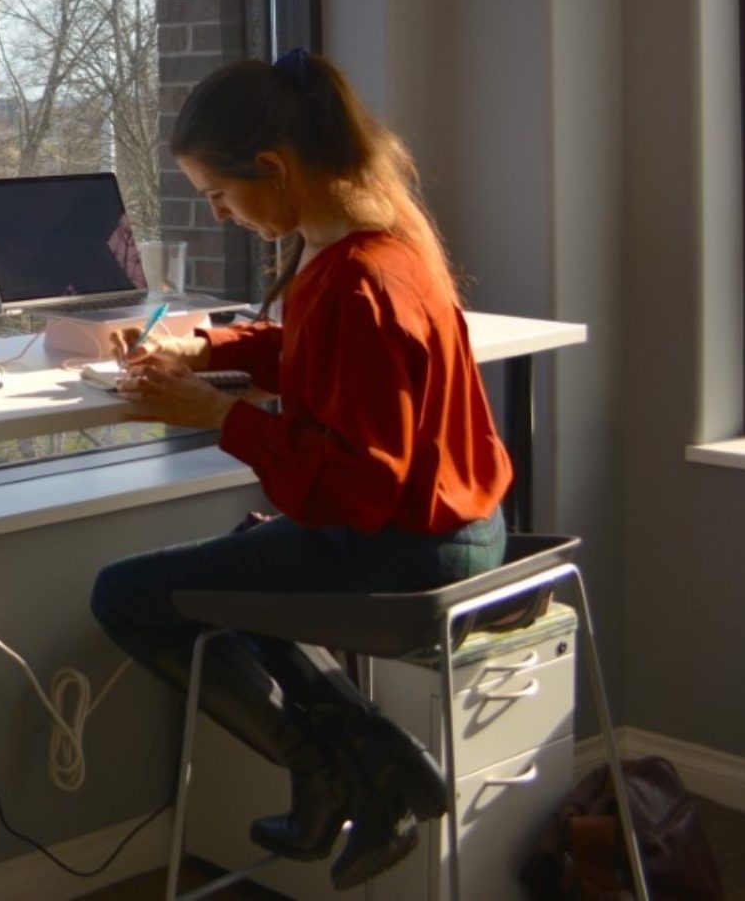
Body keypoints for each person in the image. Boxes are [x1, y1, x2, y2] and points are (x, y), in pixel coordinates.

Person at [88, 47, 511, 890]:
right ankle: (372, 765)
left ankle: (333, 769)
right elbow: (311, 355)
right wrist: (204, 344)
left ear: (274, 168)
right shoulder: (377, 241)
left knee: (126, 595)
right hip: (456, 529)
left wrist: (222, 417)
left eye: (219, 195)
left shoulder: (358, 283)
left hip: (408, 551)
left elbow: (363, 486)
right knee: (249, 553)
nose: (220, 215)